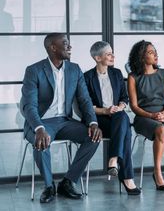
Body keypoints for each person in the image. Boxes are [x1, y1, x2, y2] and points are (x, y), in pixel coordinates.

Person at [20, 33, 102, 203]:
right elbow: (29, 105)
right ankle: (49, 187)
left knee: (93, 137)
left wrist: (93, 122)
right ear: (53, 47)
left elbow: (85, 100)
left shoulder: (74, 69)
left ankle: (68, 182)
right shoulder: (34, 70)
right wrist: (39, 128)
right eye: (65, 43)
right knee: (41, 140)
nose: (70, 46)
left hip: (65, 121)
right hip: (41, 123)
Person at [84, 41, 140, 195]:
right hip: (99, 120)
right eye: (108, 54)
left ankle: (114, 160)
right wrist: (106, 110)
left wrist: (119, 107)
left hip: (117, 116)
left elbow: (124, 98)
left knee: (122, 118)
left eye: (112, 53)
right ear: (97, 58)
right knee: (125, 130)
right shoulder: (87, 77)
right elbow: (87, 106)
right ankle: (127, 177)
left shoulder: (116, 74)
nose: (113, 56)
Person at [127, 40, 164, 191]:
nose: (155, 54)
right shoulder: (133, 77)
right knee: (162, 131)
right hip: (144, 116)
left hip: (163, 113)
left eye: (155, 51)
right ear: (142, 57)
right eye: (151, 52)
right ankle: (157, 172)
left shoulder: (163, 73)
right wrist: (151, 115)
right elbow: (134, 106)